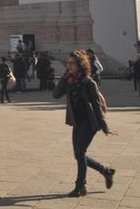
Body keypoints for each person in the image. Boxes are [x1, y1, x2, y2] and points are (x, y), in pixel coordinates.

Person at [53, 50, 116, 197]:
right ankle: (106, 171)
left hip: (89, 122)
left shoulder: (89, 82)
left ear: (80, 65)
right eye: (68, 63)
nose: (69, 66)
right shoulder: (69, 81)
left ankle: (81, 186)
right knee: (78, 155)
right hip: (77, 122)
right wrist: (63, 78)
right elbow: (55, 95)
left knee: (80, 153)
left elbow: (96, 105)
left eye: (72, 63)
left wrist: (105, 127)